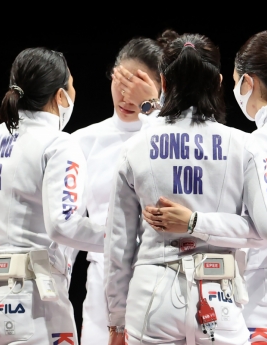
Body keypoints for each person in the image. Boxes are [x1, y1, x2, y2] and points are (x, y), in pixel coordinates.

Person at [104, 32, 267, 345]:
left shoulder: (134, 148)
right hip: (220, 295)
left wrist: (115, 322)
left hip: (151, 300)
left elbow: (118, 245)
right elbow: (262, 228)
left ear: (164, 85)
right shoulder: (245, 146)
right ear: (218, 82)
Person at [0, 47, 105, 345]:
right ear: (60, 96)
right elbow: (64, 226)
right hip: (31, 301)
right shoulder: (58, 144)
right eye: (72, 85)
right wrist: (128, 235)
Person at [69, 33, 169, 345]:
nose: (126, 96)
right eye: (119, 82)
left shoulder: (172, 139)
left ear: (158, 87)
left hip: (163, 278)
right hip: (103, 284)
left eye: (136, 85)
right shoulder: (82, 142)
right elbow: (66, 228)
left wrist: (154, 109)